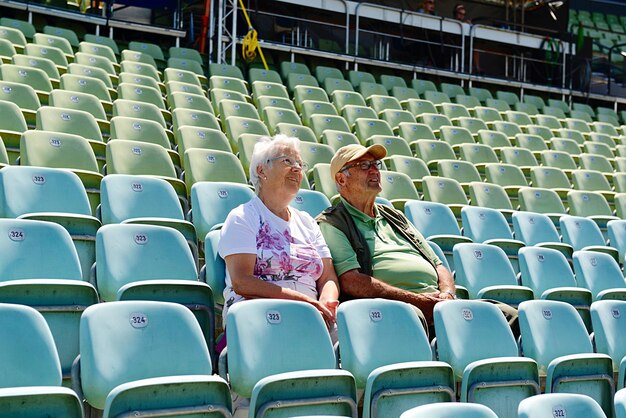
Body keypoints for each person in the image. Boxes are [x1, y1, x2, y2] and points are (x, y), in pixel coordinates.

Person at [318, 144, 517, 331]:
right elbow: (351, 281)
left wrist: (446, 295)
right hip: (393, 309)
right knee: (416, 317)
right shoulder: (333, 221)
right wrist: (417, 300)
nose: (374, 170)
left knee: (509, 316)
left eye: (375, 164)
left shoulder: (394, 216)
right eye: (364, 165)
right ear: (341, 179)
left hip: (436, 303)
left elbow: (438, 265)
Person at [218, 134, 340, 330]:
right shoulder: (242, 216)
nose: (297, 168)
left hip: (312, 315)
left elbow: (328, 277)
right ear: (261, 170)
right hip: (261, 315)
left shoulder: (307, 222)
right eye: (287, 161)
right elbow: (242, 282)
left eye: (300, 164)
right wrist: (303, 302)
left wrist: (327, 302)